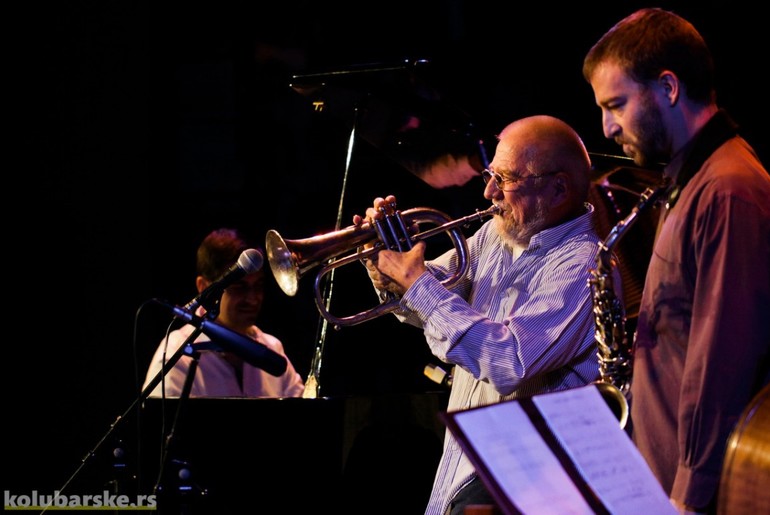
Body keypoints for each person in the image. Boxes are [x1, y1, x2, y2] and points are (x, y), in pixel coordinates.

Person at [353, 115, 607, 515]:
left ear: (559, 188)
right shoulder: (496, 233)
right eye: (490, 175)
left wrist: (417, 285)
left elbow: (510, 362)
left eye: (505, 179)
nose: (489, 192)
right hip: (463, 472)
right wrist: (385, 267)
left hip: (521, 488)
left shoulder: (585, 262)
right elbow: (437, 293)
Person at [583, 7, 770, 514]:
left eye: (616, 104)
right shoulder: (687, 183)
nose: (606, 128)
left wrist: (688, 496)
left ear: (667, 87)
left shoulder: (726, 189)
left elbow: (720, 362)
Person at [143, 227, 305, 398]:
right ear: (204, 287)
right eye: (239, 287)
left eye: (258, 286)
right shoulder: (176, 353)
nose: (253, 299)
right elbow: (160, 423)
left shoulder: (272, 347)